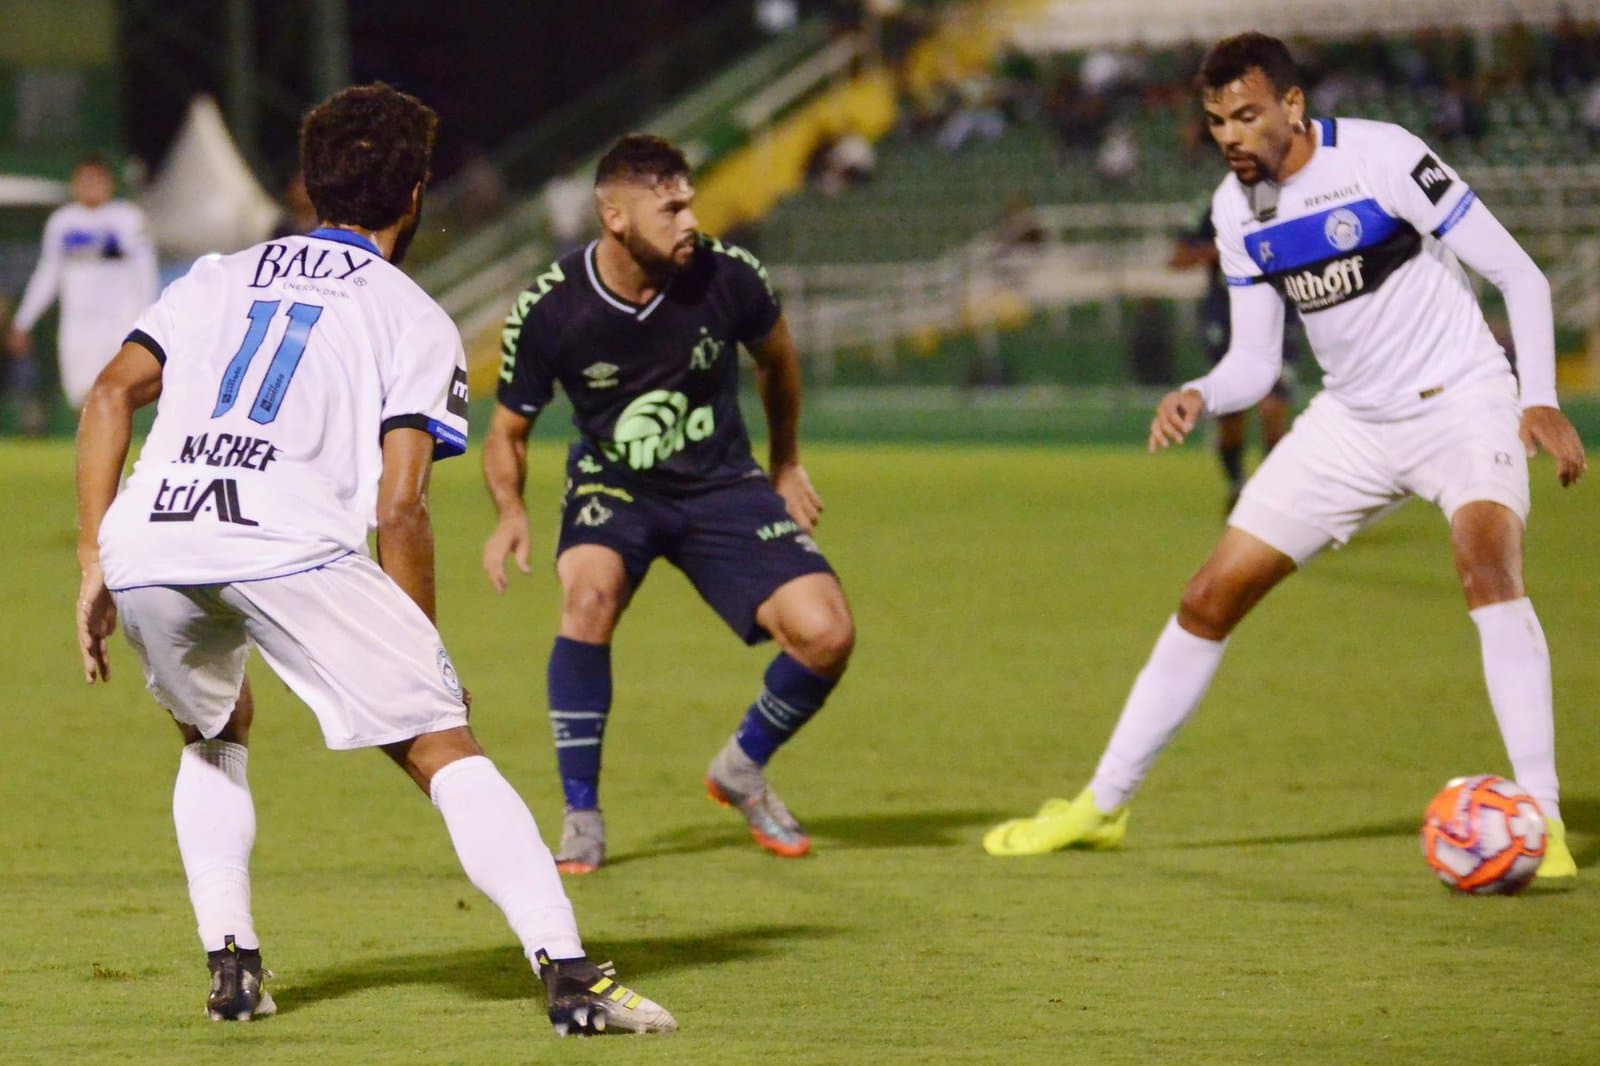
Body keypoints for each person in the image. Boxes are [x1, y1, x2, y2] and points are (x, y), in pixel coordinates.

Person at [73, 84, 674, 1035]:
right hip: (281, 537)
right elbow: (402, 503)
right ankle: (568, 978)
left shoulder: (216, 277)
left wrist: (93, 557)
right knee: (444, 746)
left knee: (216, 733)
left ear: (309, 186)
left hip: (153, 531)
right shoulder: (413, 316)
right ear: (417, 195)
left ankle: (232, 969)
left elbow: (110, 394)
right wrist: (419, 648)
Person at [983, 33, 1586, 886]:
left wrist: (1539, 398)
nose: (1231, 135)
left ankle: (1544, 822)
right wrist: (1201, 392)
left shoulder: (1385, 158)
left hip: (1461, 402)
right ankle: (1101, 805)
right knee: (1208, 596)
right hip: (1350, 422)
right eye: (1217, 119)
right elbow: (1256, 365)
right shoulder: (1236, 212)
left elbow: (1520, 276)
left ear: (1292, 107)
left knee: (1487, 568)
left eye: (1247, 115)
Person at [483, 134, 855, 875]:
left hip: (724, 483)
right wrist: (511, 511)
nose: (690, 220)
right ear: (614, 215)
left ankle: (742, 767)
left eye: (690, 203)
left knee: (827, 634)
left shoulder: (729, 276)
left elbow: (778, 362)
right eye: (671, 207)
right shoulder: (552, 307)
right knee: (587, 596)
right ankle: (581, 815)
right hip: (615, 485)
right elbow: (508, 431)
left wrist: (785, 464)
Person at [1169, 197, 1303, 510]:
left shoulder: (1290, 201)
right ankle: (1238, 485)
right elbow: (1178, 259)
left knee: (1273, 410)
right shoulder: (1213, 207)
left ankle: (1273, 497)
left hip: (1276, 319)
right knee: (1231, 419)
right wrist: (1222, 249)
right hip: (1226, 323)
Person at [7, 154, 158, 418]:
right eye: (84, 180)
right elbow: (48, 274)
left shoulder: (127, 219)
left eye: (96, 180)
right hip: (77, 323)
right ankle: (89, 455)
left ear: (109, 183)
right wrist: (23, 321)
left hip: (119, 320)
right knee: (80, 393)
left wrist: (147, 319)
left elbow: (145, 273)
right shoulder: (62, 222)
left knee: (113, 389)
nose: (89, 186)